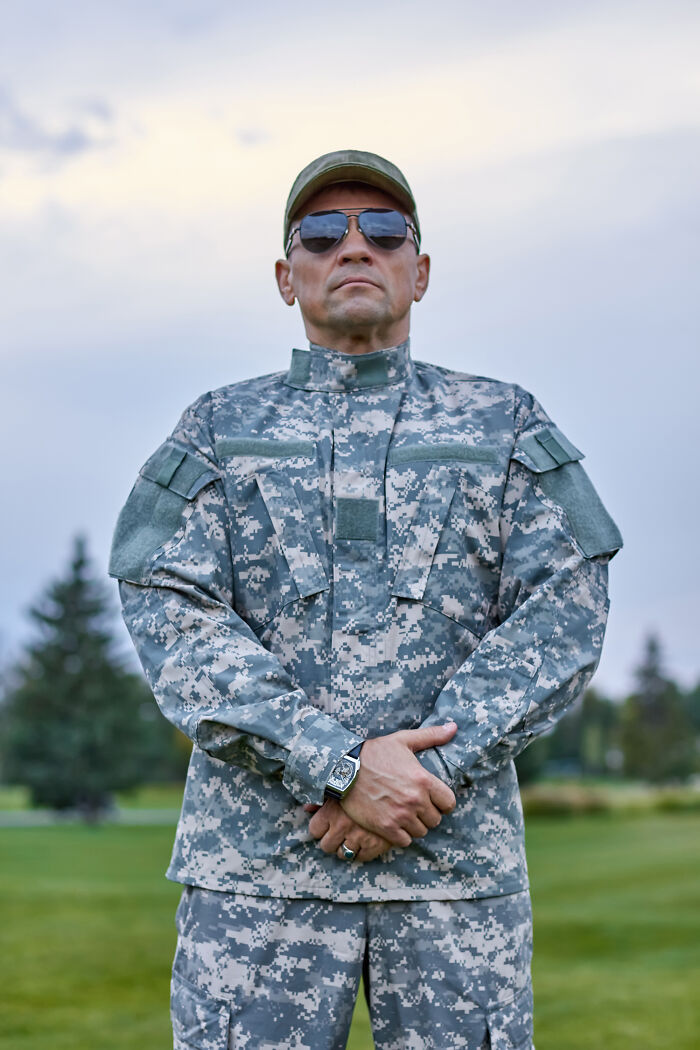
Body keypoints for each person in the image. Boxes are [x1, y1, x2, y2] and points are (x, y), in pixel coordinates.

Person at [109, 149, 622, 1050]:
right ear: (285, 275)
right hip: (262, 879)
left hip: (452, 878)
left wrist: (422, 777)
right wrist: (340, 763)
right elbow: (168, 605)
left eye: (384, 232)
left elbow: (566, 604)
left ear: (419, 273)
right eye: (322, 233)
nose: (355, 248)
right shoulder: (219, 430)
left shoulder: (505, 423)